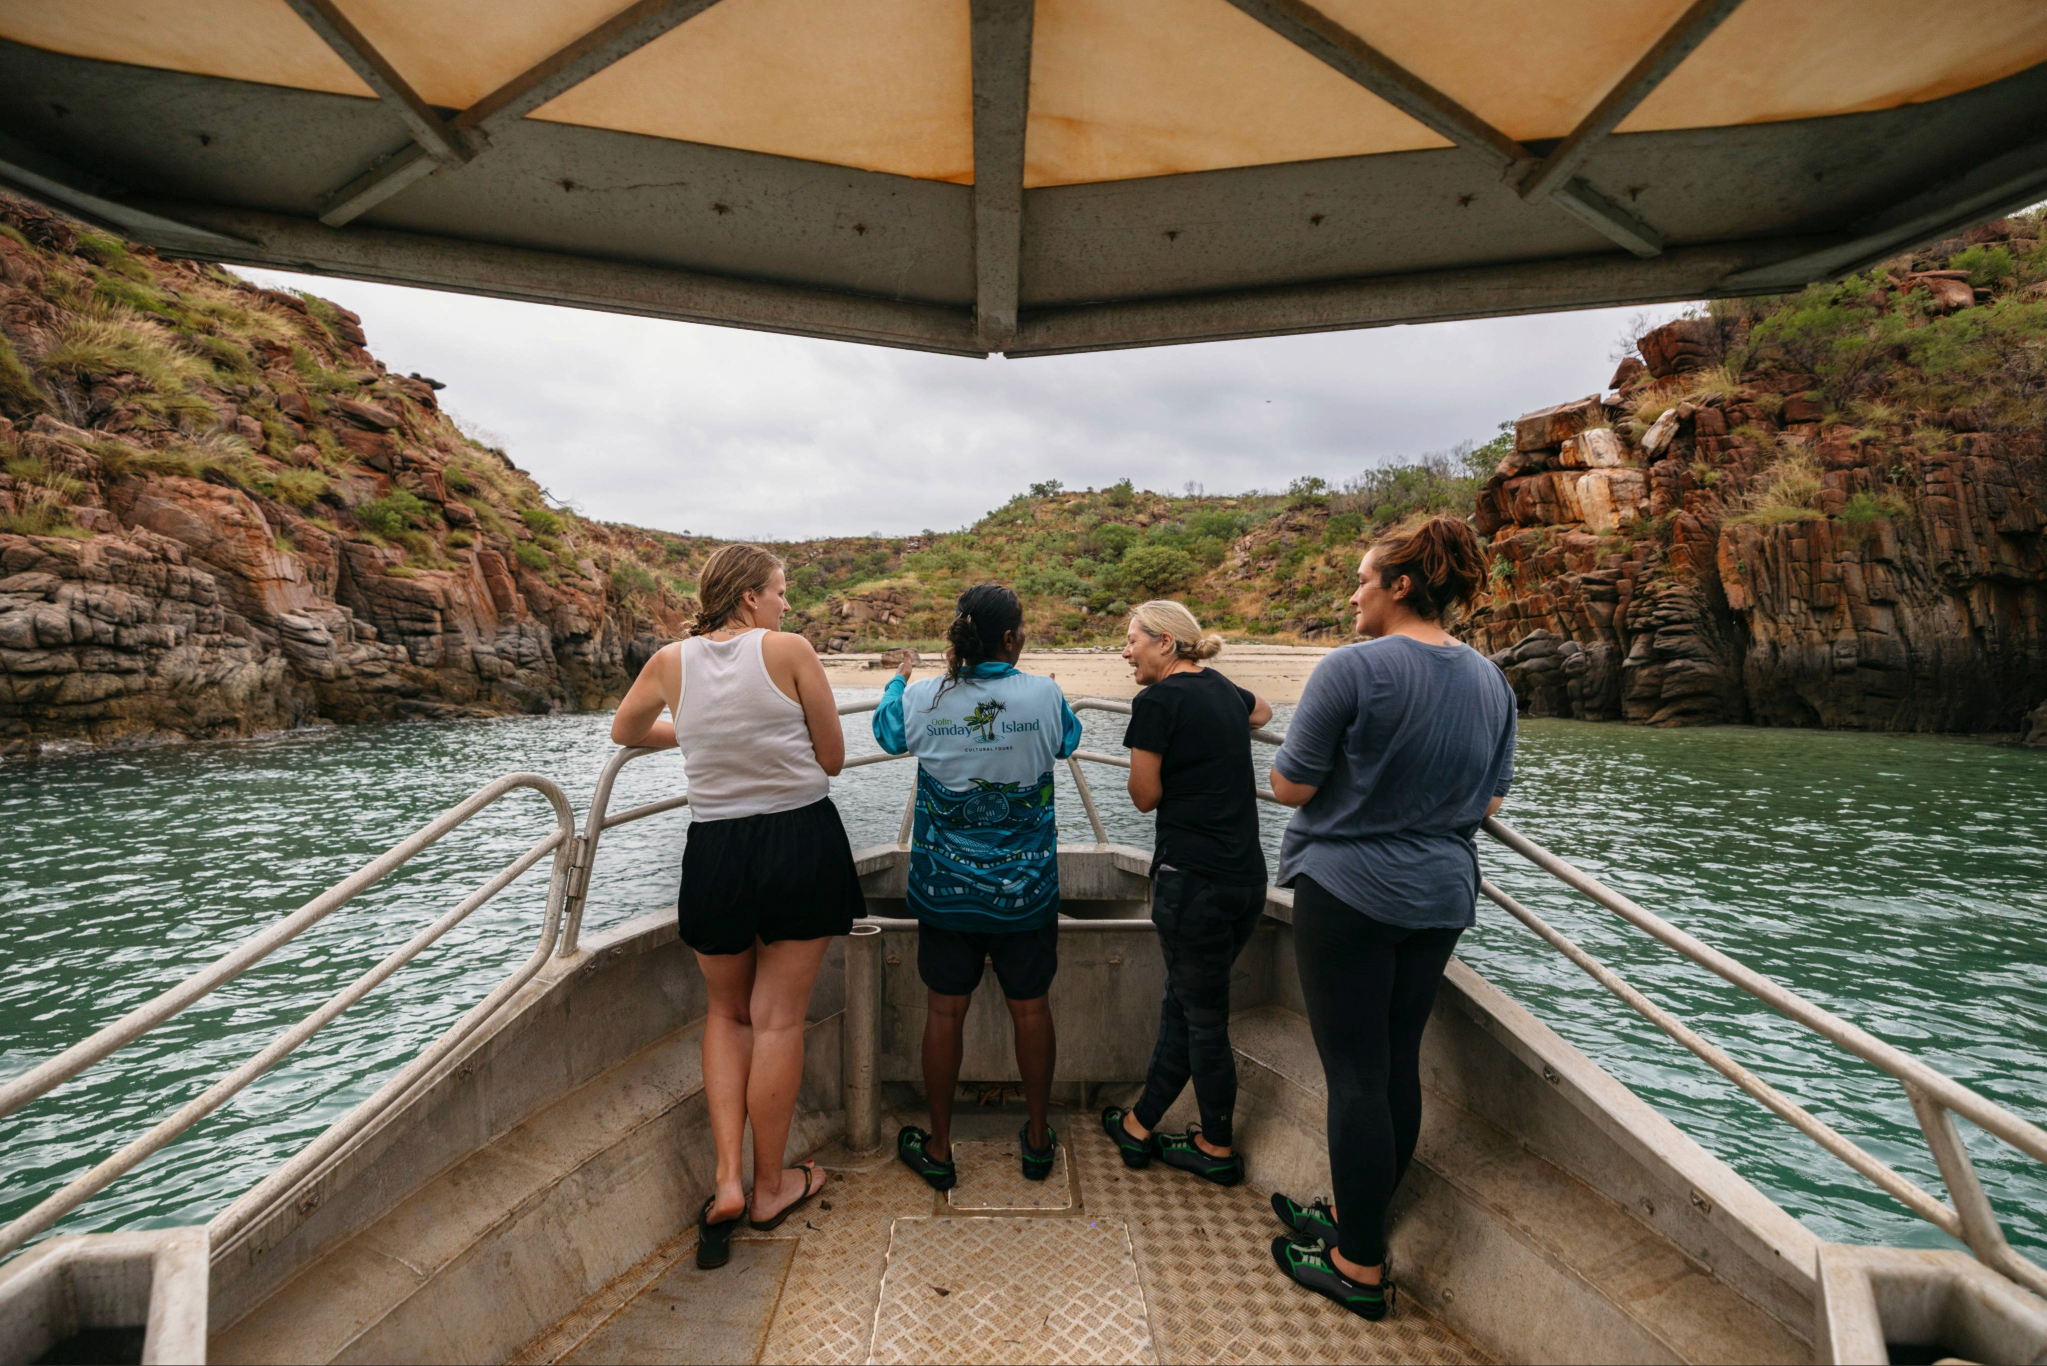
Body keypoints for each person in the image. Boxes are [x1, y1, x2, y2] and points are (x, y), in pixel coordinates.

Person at [1262, 516, 1515, 1322]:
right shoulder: (1491, 682)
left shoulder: (1352, 670)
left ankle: (1359, 1266)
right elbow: (1490, 801)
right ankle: (1354, 1218)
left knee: (1354, 1078)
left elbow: (1289, 787)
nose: (1353, 593)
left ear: (1399, 585)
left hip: (1350, 891)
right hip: (1440, 892)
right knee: (1394, 1064)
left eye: (1363, 579)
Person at [608, 543, 862, 1271]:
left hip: (714, 848)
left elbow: (625, 732)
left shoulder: (668, 661)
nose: (786, 604)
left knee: (726, 1013)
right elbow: (833, 757)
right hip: (798, 842)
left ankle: (725, 1180)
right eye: (780, 591)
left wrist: (687, 734)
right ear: (750, 596)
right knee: (778, 1016)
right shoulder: (788, 650)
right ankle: (771, 1186)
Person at [873, 584, 1082, 1190]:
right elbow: (1068, 741)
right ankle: (1038, 1141)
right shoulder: (1043, 693)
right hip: (1026, 889)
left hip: (945, 888)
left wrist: (898, 680)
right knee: (1032, 1007)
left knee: (944, 1010)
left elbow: (888, 736)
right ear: (1012, 638)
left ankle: (939, 1147)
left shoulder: (923, 696)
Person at [1099, 600, 1273, 1186]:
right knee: (1186, 1002)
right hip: (1246, 879)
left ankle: (1216, 1146)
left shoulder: (1156, 702)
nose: (1125, 652)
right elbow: (1264, 710)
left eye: (1132, 641)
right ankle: (1142, 1124)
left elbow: (1143, 797)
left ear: (1166, 643)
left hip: (1192, 885)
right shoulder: (1221, 687)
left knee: (1204, 1020)